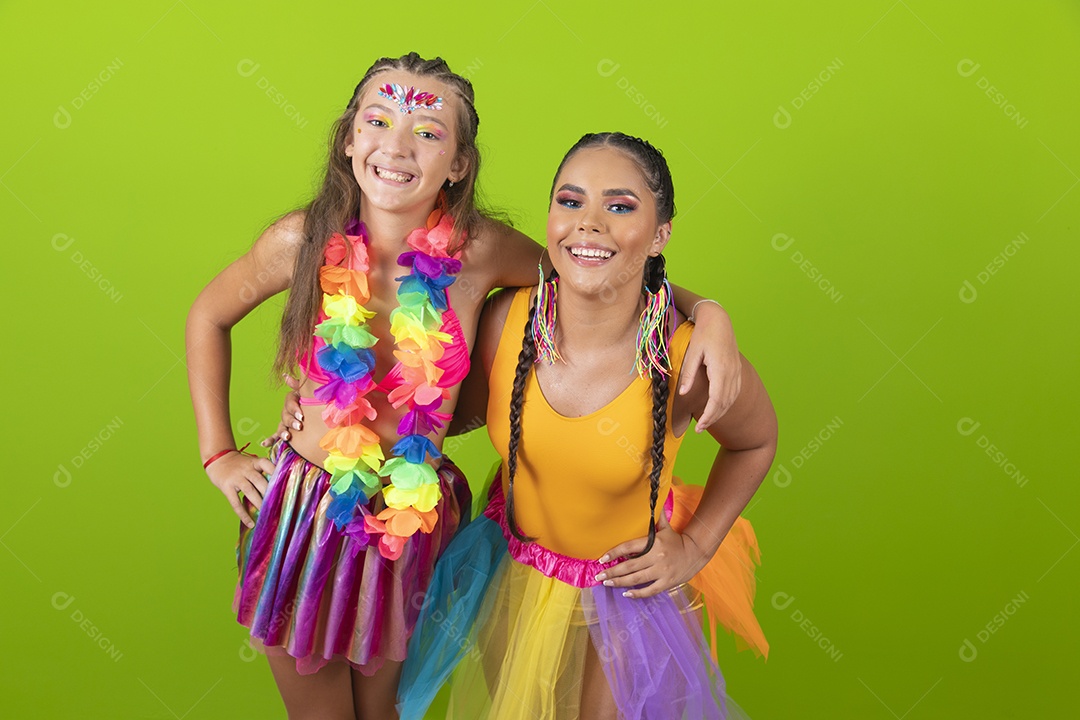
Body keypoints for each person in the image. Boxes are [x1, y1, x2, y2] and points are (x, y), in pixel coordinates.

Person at [187, 52, 741, 719]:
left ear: (458, 163)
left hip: (410, 515)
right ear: (348, 139)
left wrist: (707, 311)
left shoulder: (480, 253)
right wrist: (219, 454)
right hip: (307, 510)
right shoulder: (301, 239)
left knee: (388, 709)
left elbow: (599, 271)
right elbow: (207, 315)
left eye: (427, 130)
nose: (397, 144)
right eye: (379, 119)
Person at [395, 132, 777, 720]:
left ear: (660, 234)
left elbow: (756, 440)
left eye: (620, 207)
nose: (589, 223)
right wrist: (320, 409)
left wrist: (697, 546)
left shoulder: (686, 359)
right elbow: (441, 413)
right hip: (514, 571)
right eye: (571, 202)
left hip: (623, 594)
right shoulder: (505, 320)